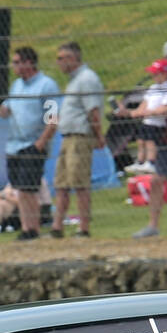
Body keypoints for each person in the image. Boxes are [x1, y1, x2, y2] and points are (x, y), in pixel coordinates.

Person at [0, 45, 60, 241]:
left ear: (29, 63)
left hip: (33, 144)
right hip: (13, 146)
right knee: (20, 189)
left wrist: (41, 143)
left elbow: (52, 117)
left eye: (17, 62)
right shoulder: (16, 86)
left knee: (29, 188)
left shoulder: (47, 85)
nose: (14, 66)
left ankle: (33, 228)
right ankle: (27, 227)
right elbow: (8, 108)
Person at [48, 42, 103, 239]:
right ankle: (57, 227)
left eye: (61, 58)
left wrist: (99, 135)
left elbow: (93, 111)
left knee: (80, 183)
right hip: (67, 137)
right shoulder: (73, 81)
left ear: (72, 59)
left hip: (80, 137)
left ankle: (84, 227)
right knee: (61, 183)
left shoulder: (87, 79)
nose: (58, 63)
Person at [128, 57, 167, 238]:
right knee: (156, 181)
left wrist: (158, 111)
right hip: (166, 140)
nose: (153, 77)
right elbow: (144, 106)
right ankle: (153, 225)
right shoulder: (156, 89)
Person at [125, 58, 167, 174]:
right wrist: (135, 112)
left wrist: (151, 112)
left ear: (165, 74)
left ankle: (151, 162)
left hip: (157, 123)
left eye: (156, 74)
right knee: (141, 141)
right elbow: (144, 104)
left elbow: (165, 106)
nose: (153, 76)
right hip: (147, 121)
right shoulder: (153, 88)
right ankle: (140, 162)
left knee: (151, 142)